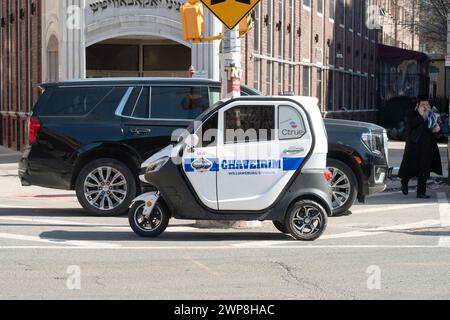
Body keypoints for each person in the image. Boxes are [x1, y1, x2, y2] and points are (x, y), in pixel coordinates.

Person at [399, 95, 442, 199]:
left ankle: (421, 192)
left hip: (427, 146)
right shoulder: (411, 114)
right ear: (417, 105)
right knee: (409, 167)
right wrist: (420, 115)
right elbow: (413, 127)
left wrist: (436, 129)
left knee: (424, 169)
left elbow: (432, 130)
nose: (425, 107)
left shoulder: (432, 115)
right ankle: (404, 182)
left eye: (427, 104)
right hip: (414, 146)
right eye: (423, 104)